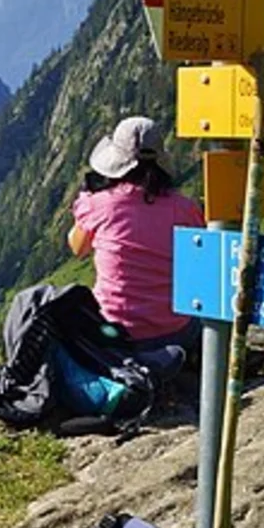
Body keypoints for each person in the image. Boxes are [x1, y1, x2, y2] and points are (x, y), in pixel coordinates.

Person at [67, 116, 206, 389]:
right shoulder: (185, 208)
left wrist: (85, 198)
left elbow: (78, 248)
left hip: (115, 334)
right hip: (176, 331)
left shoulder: (98, 205)